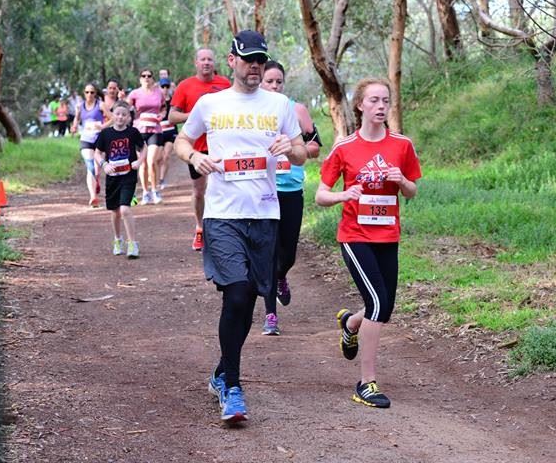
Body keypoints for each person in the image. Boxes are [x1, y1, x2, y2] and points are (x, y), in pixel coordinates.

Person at [174, 30, 306, 424]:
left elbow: (301, 154)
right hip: (222, 214)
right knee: (236, 293)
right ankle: (232, 386)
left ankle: (221, 370)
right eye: (248, 59)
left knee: (247, 300)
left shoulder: (280, 104)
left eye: (260, 60)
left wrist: (291, 149)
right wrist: (196, 158)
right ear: (231, 60)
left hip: (265, 215)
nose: (255, 66)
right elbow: (182, 140)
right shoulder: (210, 102)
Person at [316, 78, 421, 409]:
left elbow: (412, 191)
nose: (380, 106)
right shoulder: (345, 147)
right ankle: (366, 382)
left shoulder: (402, 145)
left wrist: (401, 180)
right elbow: (320, 195)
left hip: (388, 234)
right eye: (374, 100)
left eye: (385, 101)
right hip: (355, 235)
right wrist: (343, 195)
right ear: (359, 105)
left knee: (384, 307)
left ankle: (350, 323)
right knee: (377, 302)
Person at [258, 61, 322, 335]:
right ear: (260, 81)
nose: (274, 86)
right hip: (263, 191)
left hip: (291, 190)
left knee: (289, 254)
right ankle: (270, 314)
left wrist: (294, 148)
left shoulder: (297, 110)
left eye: (278, 82)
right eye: (269, 81)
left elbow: (316, 148)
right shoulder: (252, 112)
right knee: (268, 253)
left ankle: (283, 275)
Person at [169, 48, 231, 251]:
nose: (206, 63)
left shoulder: (225, 84)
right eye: (202, 59)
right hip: (196, 149)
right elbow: (172, 117)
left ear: (215, 63)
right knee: (199, 191)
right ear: (196, 62)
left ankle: (223, 230)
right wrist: (197, 117)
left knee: (223, 188)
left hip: (222, 147)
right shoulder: (185, 86)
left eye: (210, 59)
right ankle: (200, 228)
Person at [94, 100, 145, 259]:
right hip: (112, 178)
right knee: (115, 211)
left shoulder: (133, 132)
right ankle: (117, 239)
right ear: (112, 116)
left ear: (129, 117)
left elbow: (144, 148)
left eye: (124, 115)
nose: (120, 117)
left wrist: (139, 161)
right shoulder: (106, 134)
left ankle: (132, 243)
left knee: (124, 209)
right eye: (117, 114)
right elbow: (97, 153)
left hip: (128, 176)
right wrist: (104, 164)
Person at [127, 69, 165, 205]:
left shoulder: (158, 92)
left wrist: (162, 114)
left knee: (151, 160)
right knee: (142, 163)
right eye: (144, 76)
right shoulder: (135, 93)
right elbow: (126, 107)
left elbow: (163, 108)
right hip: (139, 130)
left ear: (153, 79)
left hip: (155, 129)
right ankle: (145, 192)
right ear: (140, 79)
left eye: (149, 76)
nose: (146, 78)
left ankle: (155, 191)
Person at [72, 83, 106, 207]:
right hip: (86, 139)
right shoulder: (80, 106)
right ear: (84, 93)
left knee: (97, 170)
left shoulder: (100, 105)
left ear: (96, 93)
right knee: (90, 167)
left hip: (99, 139)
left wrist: (102, 126)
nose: (89, 95)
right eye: (87, 92)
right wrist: (74, 126)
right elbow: (77, 118)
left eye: (92, 92)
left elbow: (112, 118)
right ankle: (93, 197)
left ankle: (96, 180)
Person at [157, 70, 177, 190]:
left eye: (166, 86)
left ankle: (161, 179)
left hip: (171, 131)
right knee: (157, 158)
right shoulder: (155, 100)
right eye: (162, 86)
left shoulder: (174, 100)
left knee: (166, 156)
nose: (164, 89)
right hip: (159, 131)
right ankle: (155, 176)